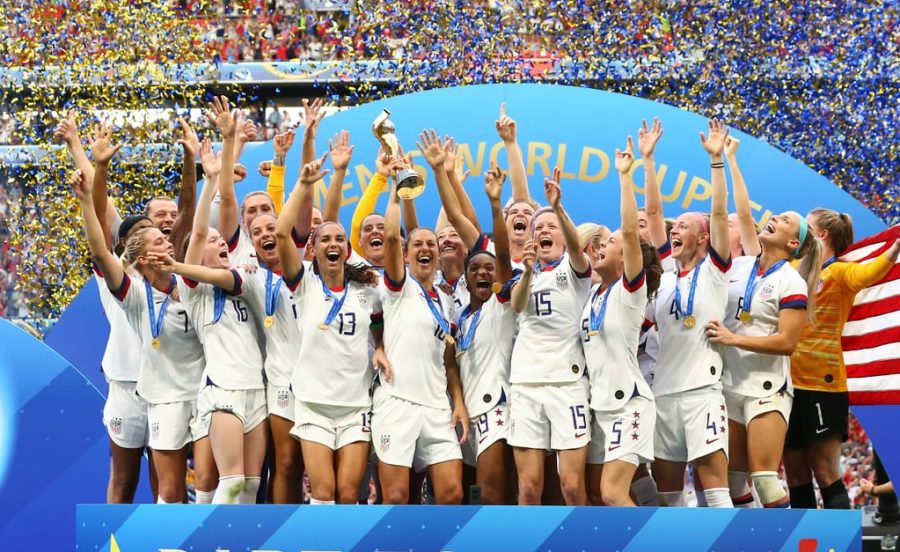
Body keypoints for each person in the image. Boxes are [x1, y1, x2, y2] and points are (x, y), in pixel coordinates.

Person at [72, 162, 206, 505]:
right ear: (132, 246)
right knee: (127, 480)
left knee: (182, 485)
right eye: (155, 233)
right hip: (133, 388)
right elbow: (101, 234)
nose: (166, 232)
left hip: (189, 392)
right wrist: (93, 174)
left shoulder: (189, 281)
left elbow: (190, 218)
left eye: (165, 231)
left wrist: (195, 164)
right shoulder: (128, 288)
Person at [157, 97, 269, 505]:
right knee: (231, 481)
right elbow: (201, 232)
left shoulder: (243, 276)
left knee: (252, 488)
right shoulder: (193, 290)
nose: (222, 243)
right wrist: (209, 181)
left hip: (258, 391)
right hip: (223, 391)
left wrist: (229, 148)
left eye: (227, 242)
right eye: (215, 243)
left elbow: (224, 238)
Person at [276, 154, 384, 505]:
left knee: (349, 494)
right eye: (324, 239)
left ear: (348, 250)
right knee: (323, 494)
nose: (332, 244)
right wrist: (304, 184)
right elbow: (280, 232)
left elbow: (380, 319)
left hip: (356, 404)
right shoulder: (304, 281)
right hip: (313, 404)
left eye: (339, 239)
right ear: (314, 249)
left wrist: (380, 345)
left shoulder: (367, 289)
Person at [370, 131, 468, 505]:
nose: (425, 248)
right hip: (397, 404)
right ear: (408, 256)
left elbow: (448, 361)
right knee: (395, 496)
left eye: (432, 244)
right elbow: (392, 238)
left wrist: (457, 401)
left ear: (440, 259)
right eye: (418, 245)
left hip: (436, 407)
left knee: (452, 494)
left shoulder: (444, 303)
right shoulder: (398, 287)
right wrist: (397, 186)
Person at [705, 208, 822, 509]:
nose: (776, 219)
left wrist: (733, 339)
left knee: (766, 481)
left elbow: (787, 342)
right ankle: (752, 540)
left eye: (786, 221)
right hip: (730, 383)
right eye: (778, 216)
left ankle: (783, 540)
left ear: (793, 244)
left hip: (768, 388)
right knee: (733, 482)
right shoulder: (739, 265)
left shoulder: (791, 282)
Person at [784, 208, 900, 509]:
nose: (799, 231)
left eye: (806, 226)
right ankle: (803, 540)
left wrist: (896, 248)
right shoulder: (793, 270)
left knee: (824, 471)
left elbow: (869, 273)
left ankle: (838, 544)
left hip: (822, 384)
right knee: (795, 473)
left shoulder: (837, 272)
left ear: (822, 235)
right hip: (785, 382)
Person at [645, 119, 733, 508]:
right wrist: (647, 161)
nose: (674, 230)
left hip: (702, 392)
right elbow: (651, 215)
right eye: (673, 226)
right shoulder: (664, 275)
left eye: (684, 226)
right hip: (663, 392)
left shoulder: (715, 271)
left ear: (704, 237)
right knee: (668, 497)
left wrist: (717, 163)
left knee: (714, 490)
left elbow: (718, 212)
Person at [582, 137, 663, 506]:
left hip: (628, 403)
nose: (601, 245)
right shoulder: (594, 296)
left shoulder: (630, 291)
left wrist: (625, 177)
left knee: (613, 493)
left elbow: (632, 232)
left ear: (625, 257)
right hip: (600, 406)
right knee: (608, 497)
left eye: (609, 242)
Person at [508, 165, 593, 506]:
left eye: (550, 227)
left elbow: (576, 247)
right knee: (529, 489)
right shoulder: (522, 272)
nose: (543, 231)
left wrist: (557, 207)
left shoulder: (574, 271)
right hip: (526, 384)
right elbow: (517, 306)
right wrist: (527, 270)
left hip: (567, 384)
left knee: (572, 487)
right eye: (537, 227)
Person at [451, 165, 516, 504]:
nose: (482, 272)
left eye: (488, 269)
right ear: (465, 279)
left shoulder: (501, 305)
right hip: (464, 412)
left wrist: (495, 205)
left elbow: (503, 254)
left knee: (491, 494)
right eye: (474, 268)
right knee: (467, 495)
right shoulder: (459, 315)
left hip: (495, 407)